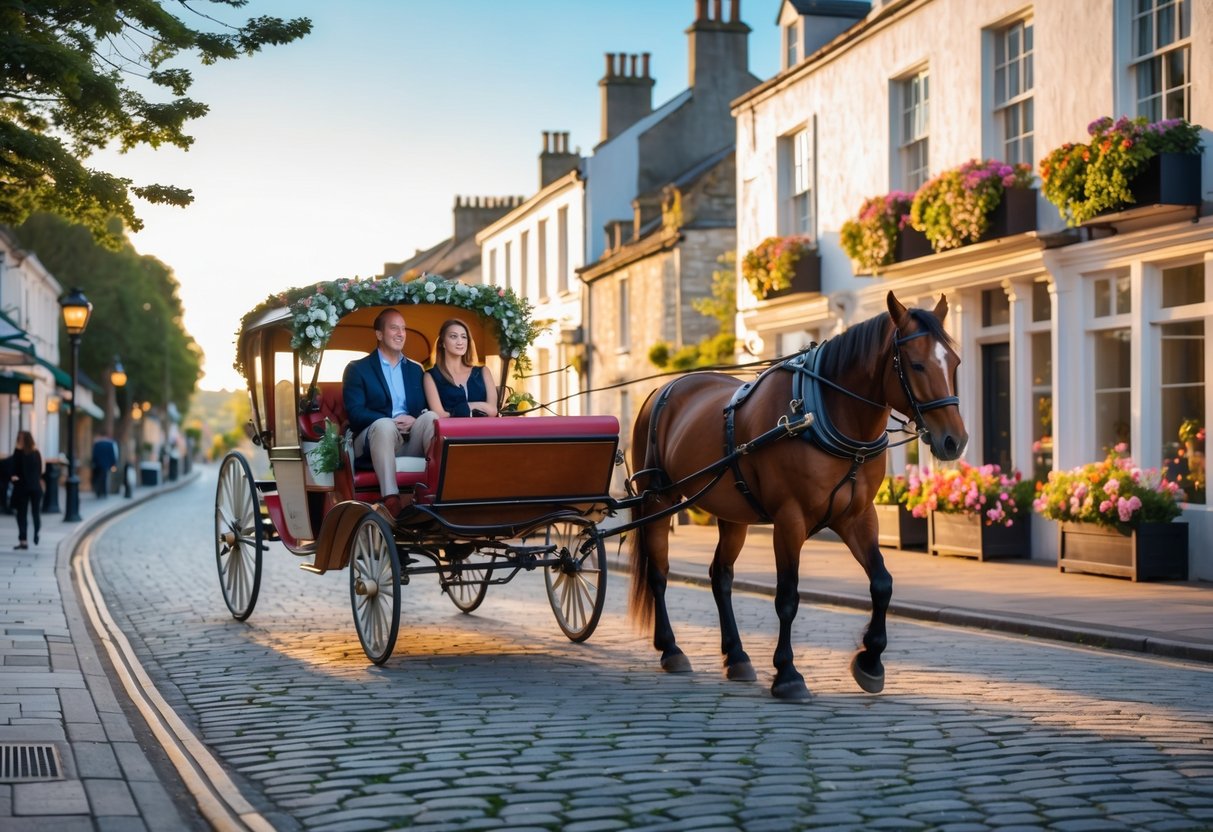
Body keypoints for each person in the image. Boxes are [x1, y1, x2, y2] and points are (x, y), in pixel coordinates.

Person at [343, 308, 439, 518]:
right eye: (394, 328)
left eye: (403, 329)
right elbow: (355, 413)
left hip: (408, 440)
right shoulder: (357, 369)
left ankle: (433, 493)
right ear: (379, 334)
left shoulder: (415, 370)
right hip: (371, 440)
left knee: (432, 418)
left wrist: (414, 420)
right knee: (384, 425)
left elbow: (423, 409)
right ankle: (391, 499)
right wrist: (390, 421)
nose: (400, 333)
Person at [423, 318, 498, 419]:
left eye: (464, 337)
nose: (460, 342)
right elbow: (440, 415)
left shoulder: (483, 372)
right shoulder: (430, 376)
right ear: (442, 343)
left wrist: (469, 406)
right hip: (451, 433)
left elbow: (493, 410)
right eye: (453, 336)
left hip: (483, 432)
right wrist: (480, 407)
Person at [10, 431, 43, 549]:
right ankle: (36, 533)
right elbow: (40, 471)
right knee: (35, 513)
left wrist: (14, 479)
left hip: (23, 487)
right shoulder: (36, 453)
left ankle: (23, 540)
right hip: (35, 487)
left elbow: (14, 470)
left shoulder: (18, 453)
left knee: (21, 514)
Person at [92, 434, 119, 498]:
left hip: (98, 464)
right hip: (106, 464)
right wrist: (113, 463)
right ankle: (104, 492)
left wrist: (94, 462)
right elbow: (112, 455)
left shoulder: (97, 444)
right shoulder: (110, 444)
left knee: (98, 477)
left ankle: (98, 492)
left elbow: (94, 454)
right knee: (105, 478)